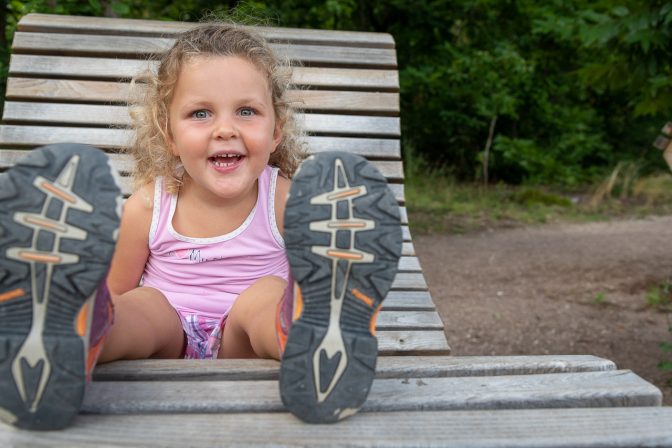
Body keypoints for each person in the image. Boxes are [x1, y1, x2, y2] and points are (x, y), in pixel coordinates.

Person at [0, 22, 402, 430]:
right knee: (142, 305)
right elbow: (118, 292)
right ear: (168, 134)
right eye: (200, 113)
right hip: (165, 341)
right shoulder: (149, 205)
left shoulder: (289, 200)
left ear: (276, 130)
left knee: (266, 296)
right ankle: (69, 334)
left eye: (246, 111)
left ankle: (310, 338)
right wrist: (103, 306)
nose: (225, 128)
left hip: (242, 345)